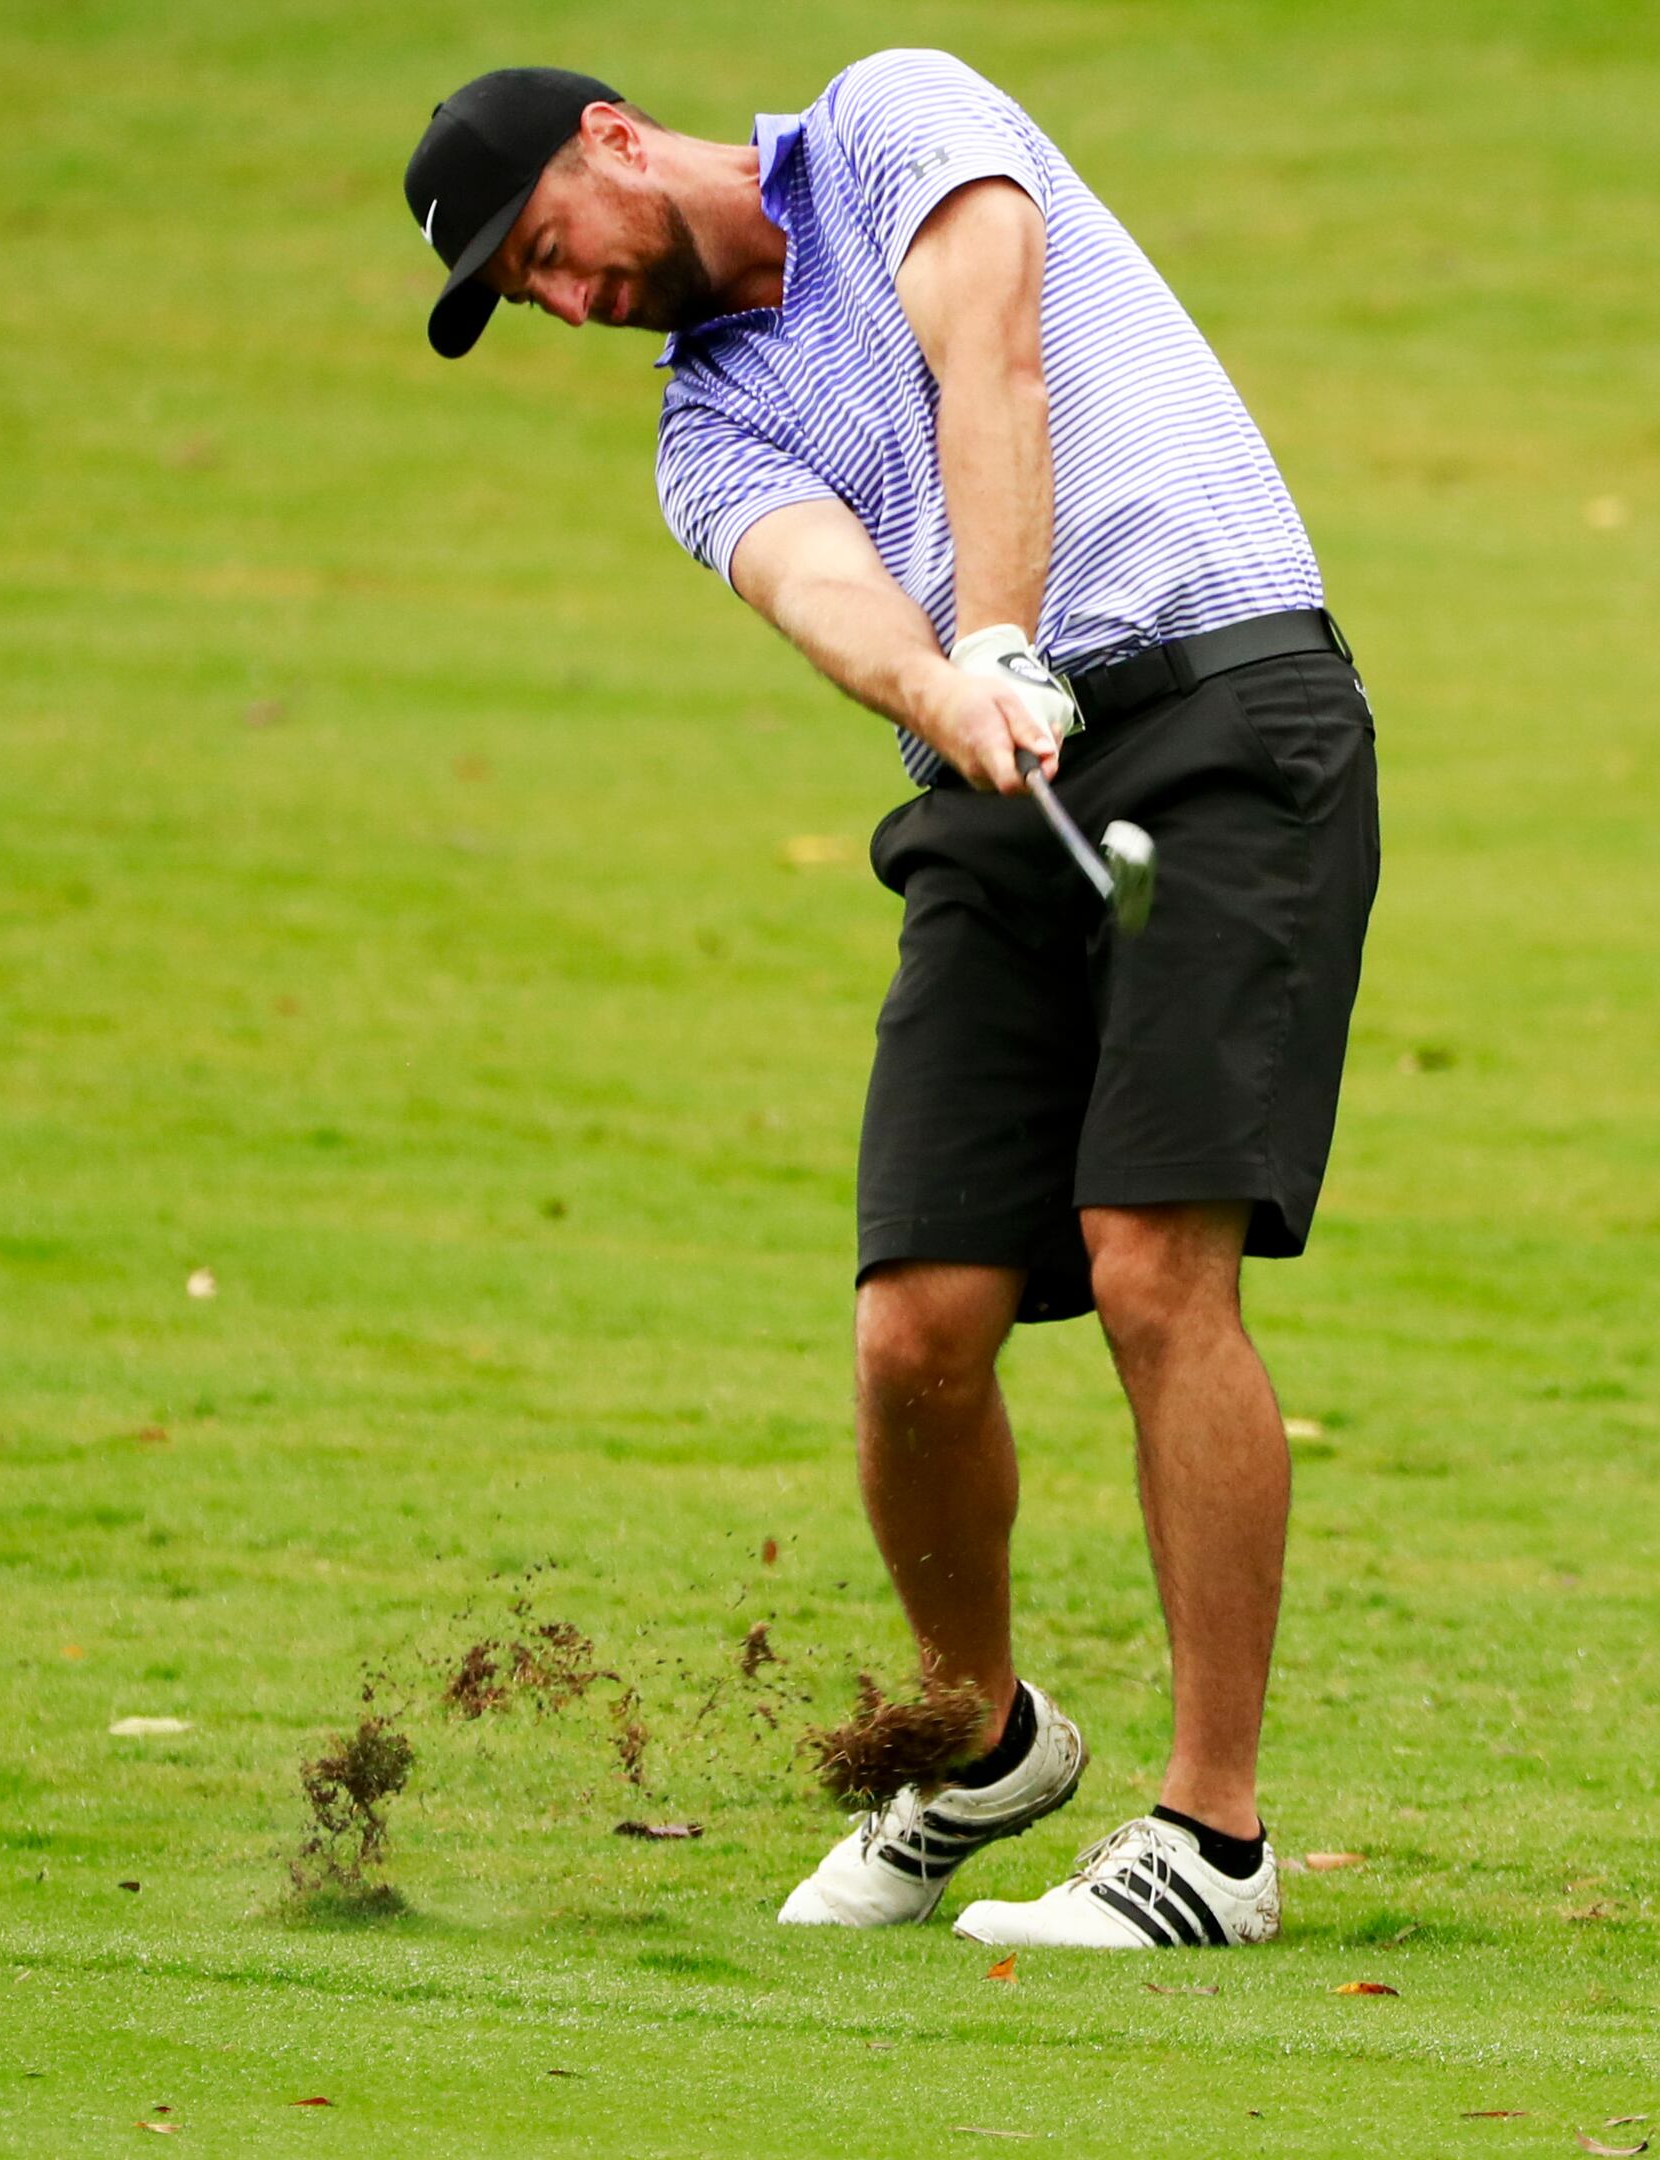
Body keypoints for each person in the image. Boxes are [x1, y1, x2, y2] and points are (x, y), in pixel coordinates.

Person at [400, 52, 1377, 1950]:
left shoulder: (889, 121)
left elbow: (987, 357)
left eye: (552, 253)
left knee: (1153, 1260)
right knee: (911, 1330)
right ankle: (982, 1732)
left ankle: (1217, 1840)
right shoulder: (705, 434)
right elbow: (826, 588)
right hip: (992, 780)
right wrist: (952, 697)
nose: (577, 304)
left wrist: (999, 638)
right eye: (538, 301)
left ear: (611, 139)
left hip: (1223, 713)